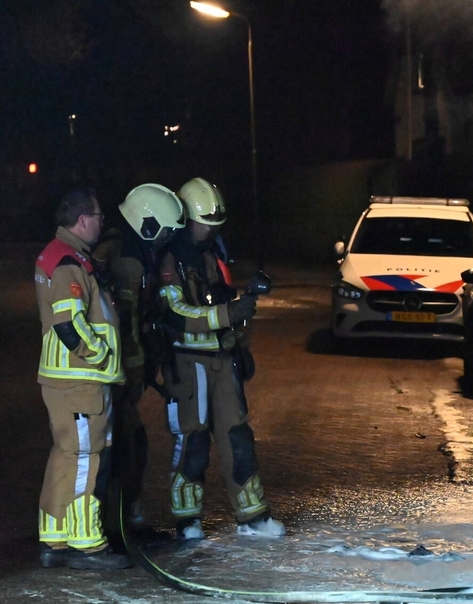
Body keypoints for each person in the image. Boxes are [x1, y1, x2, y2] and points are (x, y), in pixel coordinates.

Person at [157, 177, 285, 539]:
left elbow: (220, 298)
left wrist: (240, 340)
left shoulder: (215, 251)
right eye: (205, 224)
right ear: (186, 218)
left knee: (238, 436)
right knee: (193, 441)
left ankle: (253, 516)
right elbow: (176, 313)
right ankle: (187, 521)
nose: (210, 230)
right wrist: (229, 315)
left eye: (215, 225)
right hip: (188, 362)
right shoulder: (170, 258)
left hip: (222, 357)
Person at [34, 188, 131, 570]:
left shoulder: (62, 254)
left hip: (67, 381)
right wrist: (101, 354)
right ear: (82, 220)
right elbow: (68, 324)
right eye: (98, 216)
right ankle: (85, 544)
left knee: (66, 456)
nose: (102, 222)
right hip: (79, 382)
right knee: (86, 460)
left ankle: (54, 540)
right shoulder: (67, 262)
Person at [91, 184, 185, 540]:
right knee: (123, 445)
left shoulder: (135, 253)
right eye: (163, 232)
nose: (165, 241)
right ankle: (112, 525)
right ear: (147, 225)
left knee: (131, 444)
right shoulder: (124, 259)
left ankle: (122, 519)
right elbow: (124, 325)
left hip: (123, 370)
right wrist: (132, 371)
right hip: (113, 372)